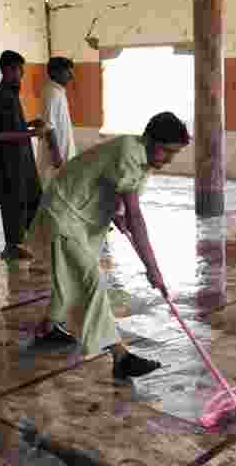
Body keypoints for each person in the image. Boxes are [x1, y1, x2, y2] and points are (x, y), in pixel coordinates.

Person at [31, 112, 190, 379]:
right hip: (65, 211)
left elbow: (120, 199)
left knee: (73, 276)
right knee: (89, 278)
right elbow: (136, 216)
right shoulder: (129, 153)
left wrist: (120, 215)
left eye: (174, 153)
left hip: (84, 216)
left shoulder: (143, 162)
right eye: (166, 151)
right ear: (150, 140)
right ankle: (121, 356)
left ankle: (47, 328)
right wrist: (153, 268)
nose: (169, 158)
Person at [0, 50, 46, 261]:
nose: (21, 75)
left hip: (21, 161)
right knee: (14, 203)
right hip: (9, 164)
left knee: (30, 199)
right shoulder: (1, 95)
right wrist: (31, 133)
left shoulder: (10, 94)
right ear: (8, 70)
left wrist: (29, 123)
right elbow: (0, 134)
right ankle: (12, 246)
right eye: (19, 70)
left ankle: (27, 241)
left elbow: (10, 125)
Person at [40, 56, 77, 186]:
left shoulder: (58, 91)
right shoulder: (51, 93)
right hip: (57, 157)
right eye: (68, 72)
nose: (72, 76)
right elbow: (48, 126)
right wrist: (56, 155)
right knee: (54, 191)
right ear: (55, 72)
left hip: (62, 153)